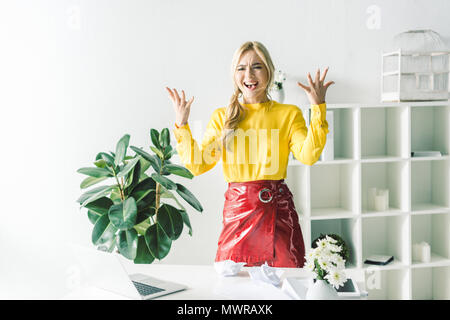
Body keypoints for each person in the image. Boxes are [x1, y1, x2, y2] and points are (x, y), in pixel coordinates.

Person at [165, 41, 333, 268]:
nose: (249, 75)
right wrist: (182, 124)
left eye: (257, 66)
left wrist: (318, 109)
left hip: (278, 213)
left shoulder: (288, 114)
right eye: (241, 68)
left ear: (269, 71)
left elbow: (308, 156)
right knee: (234, 287)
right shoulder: (222, 117)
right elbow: (197, 165)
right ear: (234, 75)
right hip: (237, 215)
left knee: (285, 284)